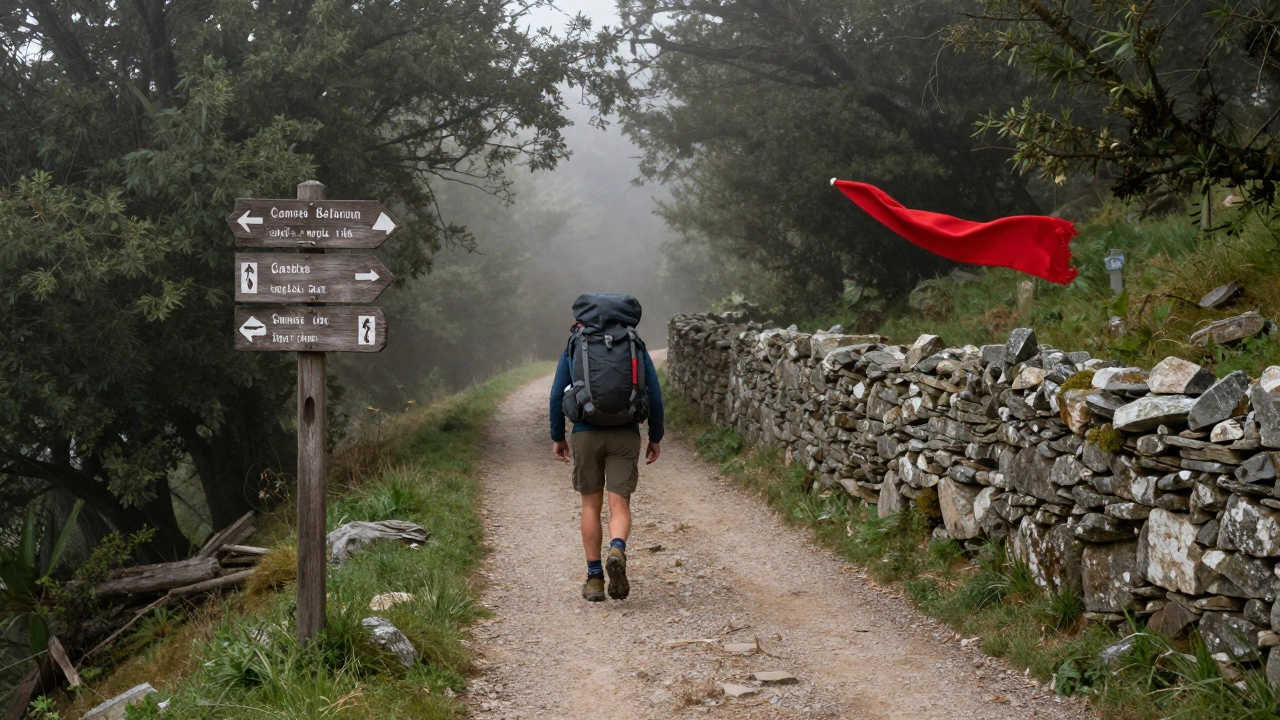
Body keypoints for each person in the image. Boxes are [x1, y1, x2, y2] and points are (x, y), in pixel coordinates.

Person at [549, 296, 663, 602]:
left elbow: (557, 394)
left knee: (590, 505)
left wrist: (558, 436)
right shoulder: (633, 342)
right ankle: (617, 547)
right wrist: (655, 436)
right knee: (619, 505)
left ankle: (595, 578)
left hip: (586, 432)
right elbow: (654, 396)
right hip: (625, 432)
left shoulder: (577, 341)